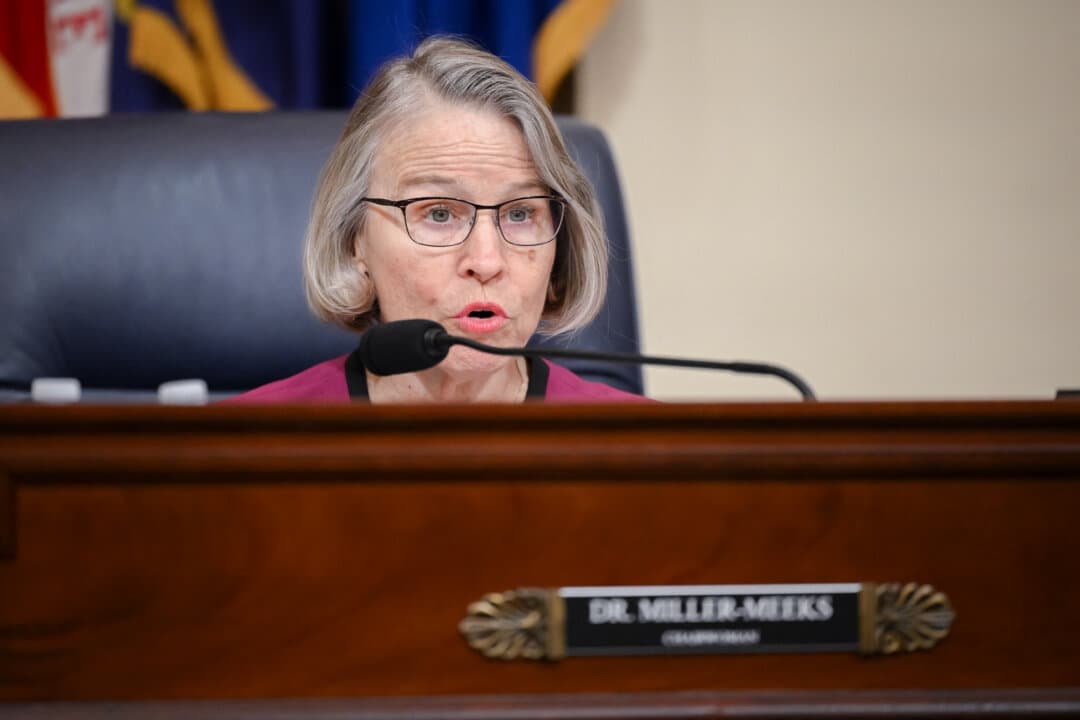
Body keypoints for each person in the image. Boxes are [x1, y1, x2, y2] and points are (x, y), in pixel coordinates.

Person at [230, 37, 649, 404]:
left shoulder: (646, 456)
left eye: (520, 214)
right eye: (440, 213)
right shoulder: (231, 451)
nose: (486, 262)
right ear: (355, 239)